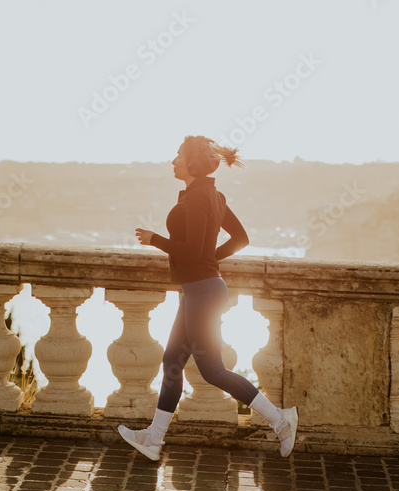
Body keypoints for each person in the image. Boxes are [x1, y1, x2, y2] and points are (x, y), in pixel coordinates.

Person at [117, 135, 298, 461]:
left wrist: (155, 239)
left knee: (212, 370)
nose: (173, 161)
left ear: (193, 164)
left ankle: (281, 420)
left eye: (178, 156)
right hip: (199, 288)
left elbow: (194, 250)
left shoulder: (201, 197)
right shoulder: (211, 195)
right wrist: (208, 261)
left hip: (202, 291)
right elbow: (240, 239)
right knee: (172, 363)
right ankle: (153, 439)